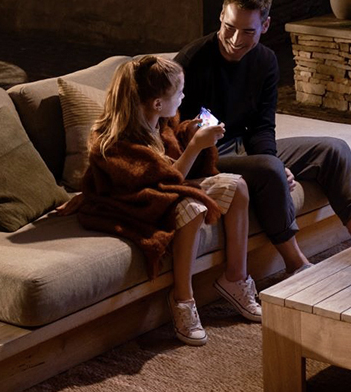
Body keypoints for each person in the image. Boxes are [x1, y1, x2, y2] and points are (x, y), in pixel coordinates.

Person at [175, 0, 351, 276]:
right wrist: (273, 166)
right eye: (229, 26)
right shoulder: (192, 62)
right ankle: (297, 265)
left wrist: (276, 161)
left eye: (248, 31)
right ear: (221, 15)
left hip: (244, 147)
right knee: (269, 169)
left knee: (334, 150)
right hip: (204, 158)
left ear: (266, 25)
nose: (234, 39)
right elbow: (176, 133)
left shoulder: (265, 62)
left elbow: (263, 126)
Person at [73, 55, 262, 346]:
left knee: (237, 186)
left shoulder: (159, 123)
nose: (184, 96)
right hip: (134, 205)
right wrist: (197, 146)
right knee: (192, 207)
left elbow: (171, 161)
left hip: (165, 192)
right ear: (157, 103)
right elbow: (161, 182)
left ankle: (235, 279)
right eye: (179, 92)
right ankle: (183, 300)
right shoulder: (111, 143)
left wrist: (191, 132)